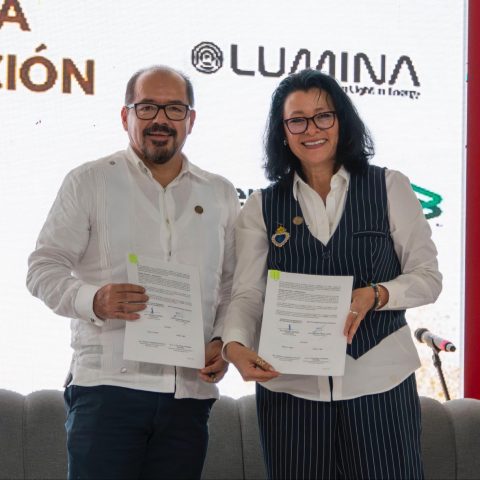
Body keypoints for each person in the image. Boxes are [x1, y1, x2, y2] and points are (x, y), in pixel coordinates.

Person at [223, 69, 442, 480]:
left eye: (323, 116)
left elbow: (428, 277)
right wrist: (233, 345)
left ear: (342, 120)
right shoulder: (261, 206)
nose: (312, 129)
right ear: (282, 131)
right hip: (291, 392)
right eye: (297, 120)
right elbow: (248, 294)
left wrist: (376, 294)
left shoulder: (389, 187)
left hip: (380, 385)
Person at [27, 65, 240, 479]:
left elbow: (231, 286)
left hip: (187, 395)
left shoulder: (220, 193)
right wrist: (94, 299)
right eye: (147, 107)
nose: (160, 119)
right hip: (107, 391)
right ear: (125, 116)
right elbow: (42, 268)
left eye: (174, 108)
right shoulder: (89, 181)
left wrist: (222, 341)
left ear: (191, 120)